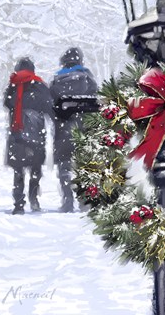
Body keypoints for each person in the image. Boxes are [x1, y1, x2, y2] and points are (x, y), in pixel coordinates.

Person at [4, 57, 54, 215]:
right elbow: (49, 107)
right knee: (35, 168)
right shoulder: (39, 85)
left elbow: (7, 103)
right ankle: (34, 198)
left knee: (18, 170)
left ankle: (18, 204)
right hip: (36, 134)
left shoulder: (13, 85)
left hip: (17, 134)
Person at [50, 47, 97, 213]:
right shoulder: (87, 78)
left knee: (64, 167)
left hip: (63, 130)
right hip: (83, 129)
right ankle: (84, 201)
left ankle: (67, 200)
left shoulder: (56, 80)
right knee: (83, 167)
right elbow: (96, 103)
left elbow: (51, 105)